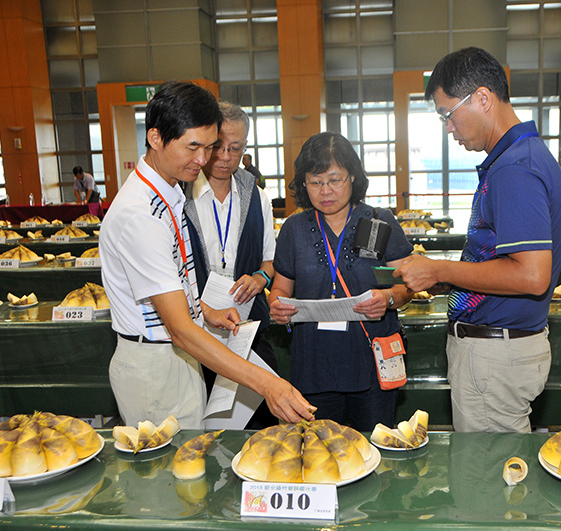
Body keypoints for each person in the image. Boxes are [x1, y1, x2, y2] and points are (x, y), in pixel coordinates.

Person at [99, 81, 314, 429]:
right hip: (157, 361)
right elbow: (180, 330)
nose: (204, 160)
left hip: (176, 356)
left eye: (210, 147)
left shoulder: (167, 193)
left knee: (194, 461)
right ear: (155, 138)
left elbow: (174, 295)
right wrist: (266, 383)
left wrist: (205, 311)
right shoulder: (141, 215)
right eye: (193, 147)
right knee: (171, 476)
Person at [394, 47, 561, 433]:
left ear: (483, 98)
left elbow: (531, 276)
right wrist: (449, 278)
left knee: (486, 480)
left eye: (448, 115)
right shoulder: (519, 158)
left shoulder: (515, 170)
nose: (449, 129)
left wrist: (440, 267)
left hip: (495, 355)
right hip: (502, 350)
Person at [268, 132, 414, 432]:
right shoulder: (294, 229)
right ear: (303, 184)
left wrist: (387, 299)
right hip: (314, 364)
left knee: (377, 448)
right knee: (319, 453)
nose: (325, 191)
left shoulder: (376, 222)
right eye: (315, 182)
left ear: (353, 178)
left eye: (335, 180)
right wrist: (276, 304)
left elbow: (407, 287)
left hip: (371, 362)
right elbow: (281, 288)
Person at [184, 101, 278, 429]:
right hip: (195, 332)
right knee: (205, 434)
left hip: (247, 328)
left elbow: (270, 262)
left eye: (234, 148)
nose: (224, 157)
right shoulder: (180, 194)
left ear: (245, 148)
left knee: (260, 428)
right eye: (217, 147)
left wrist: (260, 278)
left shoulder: (257, 196)